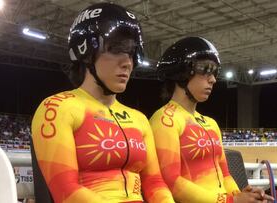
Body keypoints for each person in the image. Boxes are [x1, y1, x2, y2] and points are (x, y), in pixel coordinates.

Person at [31, 3, 174, 203]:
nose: (128, 62)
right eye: (116, 49)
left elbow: (155, 183)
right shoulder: (57, 107)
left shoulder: (139, 119)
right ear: (86, 52)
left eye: (132, 52)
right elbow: (66, 191)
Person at [149, 36, 274, 203]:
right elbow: (172, 182)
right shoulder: (164, 120)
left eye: (215, 72)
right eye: (205, 70)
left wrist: (241, 195)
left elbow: (225, 174)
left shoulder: (211, 124)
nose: (213, 79)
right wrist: (232, 201)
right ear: (181, 73)